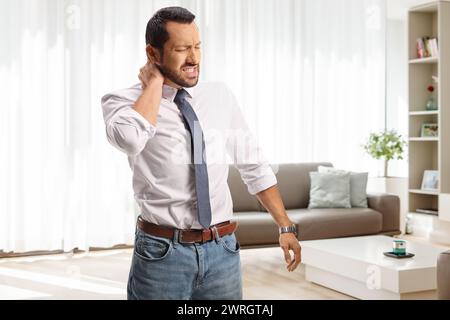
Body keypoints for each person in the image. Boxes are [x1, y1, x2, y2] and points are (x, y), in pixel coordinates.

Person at [101, 6, 301, 300]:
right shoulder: (123, 101)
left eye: (197, 47)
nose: (194, 58)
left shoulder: (219, 95)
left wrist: (285, 225)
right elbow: (129, 140)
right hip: (162, 255)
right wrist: (155, 83)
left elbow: (253, 164)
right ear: (153, 54)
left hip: (222, 250)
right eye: (182, 49)